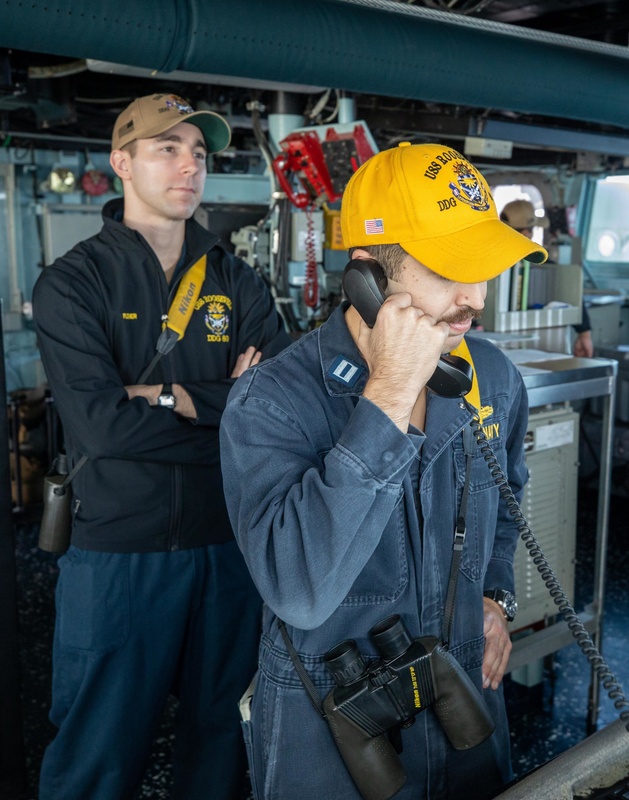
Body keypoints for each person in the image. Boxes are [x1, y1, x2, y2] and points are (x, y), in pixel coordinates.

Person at [219, 142, 544, 798]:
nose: (474, 298)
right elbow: (300, 588)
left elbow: (507, 507)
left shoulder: (492, 379)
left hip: (462, 709)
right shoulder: (272, 402)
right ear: (368, 274)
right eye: (450, 269)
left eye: (482, 269)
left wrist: (495, 599)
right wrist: (390, 392)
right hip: (333, 730)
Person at [32, 92, 290, 798]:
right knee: (97, 752)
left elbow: (282, 412)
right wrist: (226, 412)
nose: (188, 167)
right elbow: (101, 428)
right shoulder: (73, 283)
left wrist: (170, 399)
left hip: (226, 550)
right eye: (166, 149)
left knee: (222, 746)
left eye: (199, 154)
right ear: (122, 162)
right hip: (119, 555)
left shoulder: (237, 281)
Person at [500, 199, 593, 356]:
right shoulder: (541, 264)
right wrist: (584, 333)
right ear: (526, 233)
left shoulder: (486, 261)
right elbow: (567, 292)